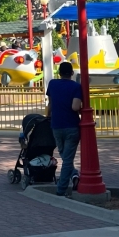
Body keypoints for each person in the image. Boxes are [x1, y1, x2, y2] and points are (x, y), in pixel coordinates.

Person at [45, 60, 83, 197]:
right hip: (72, 126)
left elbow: (50, 104)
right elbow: (75, 107)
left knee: (64, 156)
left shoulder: (52, 84)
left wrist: (47, 116)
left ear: (59, 73)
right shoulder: (76, 87)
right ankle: (61, 189)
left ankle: (73, 175)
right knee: (67, 159)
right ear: (72, 73)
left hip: (56, 125)